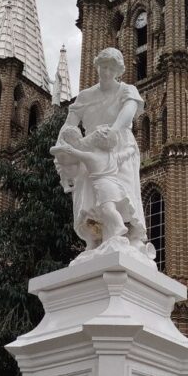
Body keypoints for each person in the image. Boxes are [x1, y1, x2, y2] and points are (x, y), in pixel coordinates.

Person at [52, 47, 149, 258]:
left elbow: (128, 111)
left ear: (118, 70)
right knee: (89, 194)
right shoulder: (86, 96)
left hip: (119, 144)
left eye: (110, 68)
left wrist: (112, 132)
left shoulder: (127, 90)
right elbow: (69, 125)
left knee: (122, 192)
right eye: (102, 66)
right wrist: (63, 151)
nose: (106, 72)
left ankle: (130, 236)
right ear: (97, 67)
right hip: (89, 147)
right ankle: (96, 240)